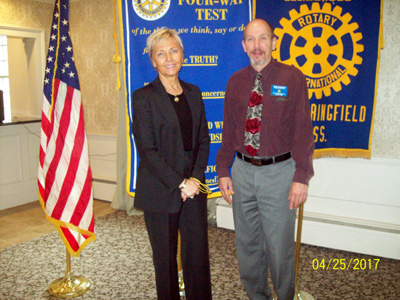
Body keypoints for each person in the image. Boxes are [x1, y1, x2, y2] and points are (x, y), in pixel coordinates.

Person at [216, 19, 314, 300]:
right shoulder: (235, 82)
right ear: (243, 45)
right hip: (243, 173)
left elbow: (303, 132)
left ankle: (285, 296)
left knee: (279, 246)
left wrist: (301, 177)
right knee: (247, 245)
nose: (256, 46)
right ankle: (257, 296)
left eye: (262, 39)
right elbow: (229, 130)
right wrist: (224, 170)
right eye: (250, 39)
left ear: (273, 42)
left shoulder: (292, 78)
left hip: (280, 173)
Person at [131, 28, 212, 300]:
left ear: (182, 56)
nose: (168, 58)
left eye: (173, 51)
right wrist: (180, 182)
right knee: (165, 260)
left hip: (194, 187)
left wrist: (195, 179)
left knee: (197, 256)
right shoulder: (143, 98)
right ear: (153, 61)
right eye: (161, 53)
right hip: (160, 188)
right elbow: (148, 150)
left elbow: (203, 139)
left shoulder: (194, 92)